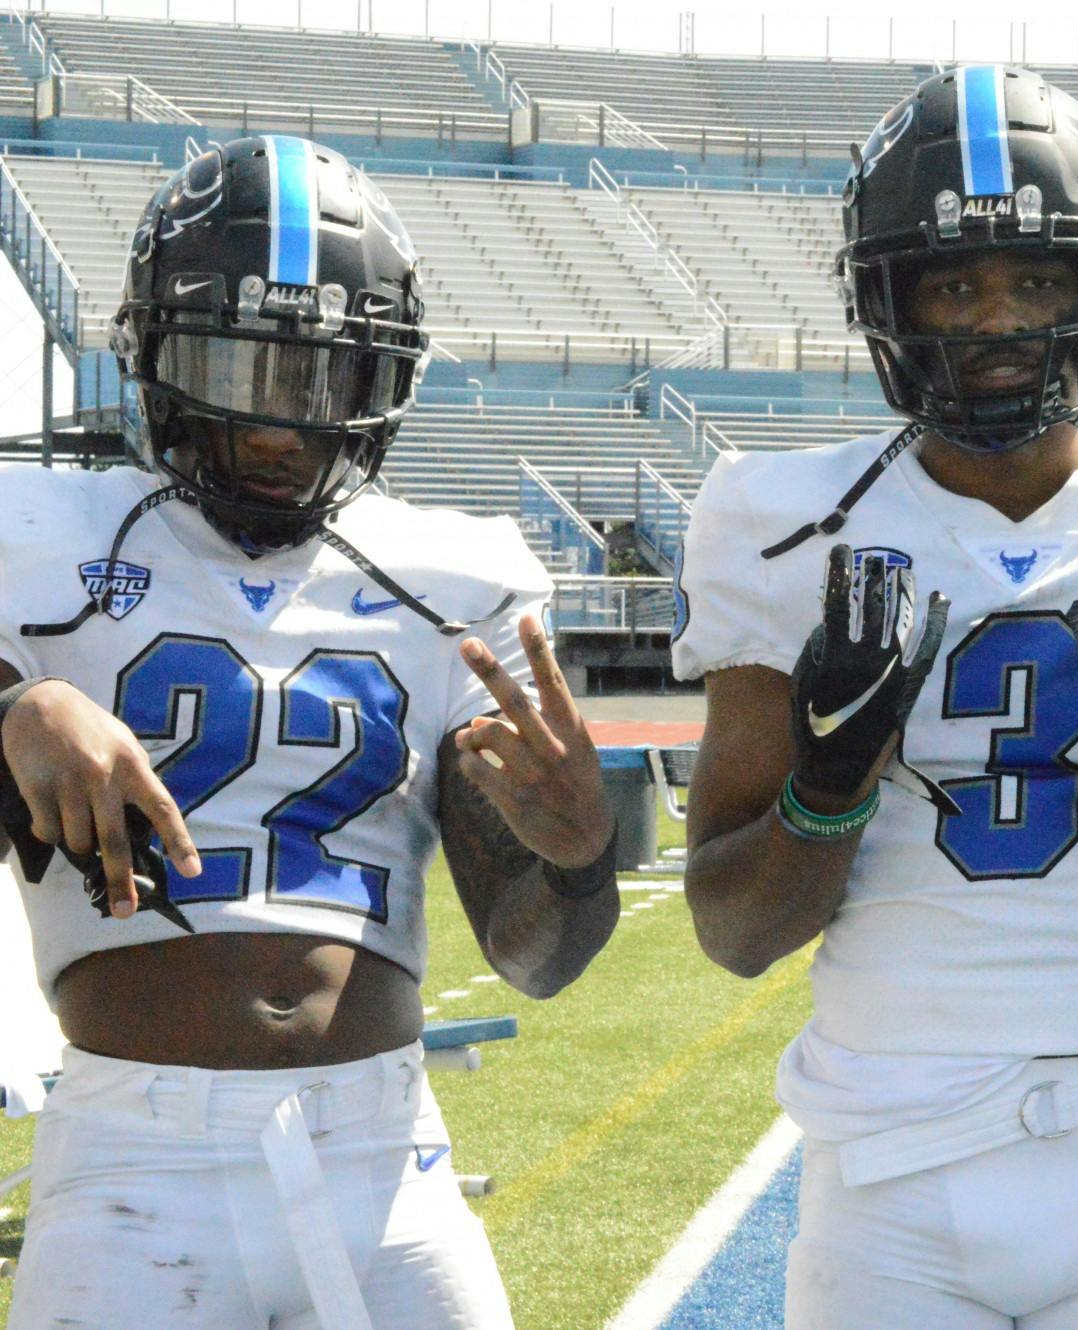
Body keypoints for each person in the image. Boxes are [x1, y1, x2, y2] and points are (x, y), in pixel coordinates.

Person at [674, 65, 1078, 1329]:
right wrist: (829, 790)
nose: (993, 320)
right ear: (888, 299)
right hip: (884, 1164)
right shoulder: (777, 518)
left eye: (1035, 281)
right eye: (953, 282)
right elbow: (734, 930)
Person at [1, 135, 619, 1329]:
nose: (281, 426)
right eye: (240, 365)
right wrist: (13, 704)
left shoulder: (455, 576)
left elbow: (541, 957)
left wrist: (581, 854)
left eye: (320, 377)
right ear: (155, 356)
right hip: (135, 1157)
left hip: (383, 1157)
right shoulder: (42, 532)